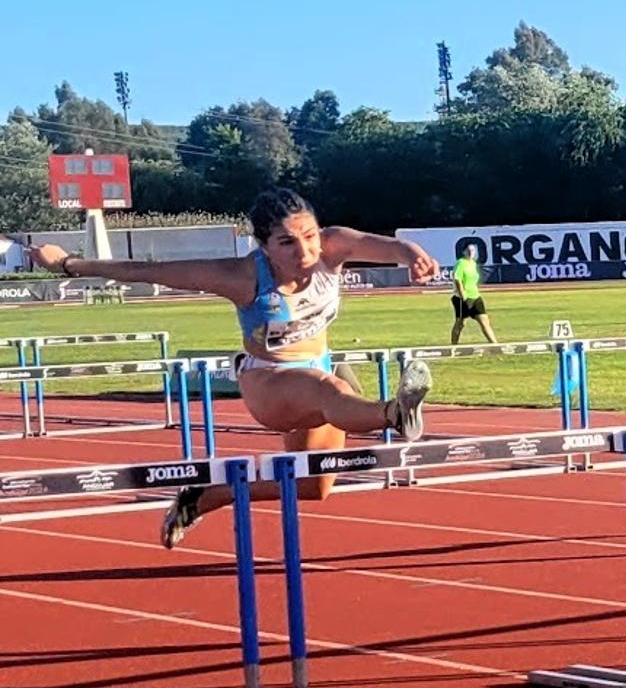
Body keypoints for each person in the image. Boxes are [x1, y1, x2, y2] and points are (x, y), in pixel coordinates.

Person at [27, 187, 438, 549]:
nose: (305, 252)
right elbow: (148, 271)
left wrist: (413, 255)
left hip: (316, 364)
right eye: (287, 243)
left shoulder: (334, 246)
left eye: (310, 237)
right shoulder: (242, 277)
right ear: (263, 246)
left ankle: (210, 496)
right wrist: (67, 264)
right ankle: (393, 412)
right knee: (329, 389)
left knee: (315, 486)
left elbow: (386, 246)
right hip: (269, 381)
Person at [451, 244, 498, 344]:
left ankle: (495, 345)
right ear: (463, 251)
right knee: (460, 323)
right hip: (462, 298)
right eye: (468, 250)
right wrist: (463, 296)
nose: (470, 252)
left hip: (475, 296)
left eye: (473, 250)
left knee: (484, 321)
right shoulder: (460, 263)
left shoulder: (473, 263)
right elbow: (457, 280)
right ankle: (453, 347)